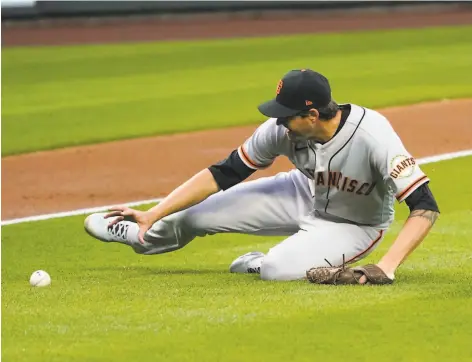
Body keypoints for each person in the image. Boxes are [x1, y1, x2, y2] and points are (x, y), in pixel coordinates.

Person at [84, 69, 439, 284]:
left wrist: (388, 267)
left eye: (288, 115)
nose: (280, 121)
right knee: (193, 215)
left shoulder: (374, 136)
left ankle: (258, 262)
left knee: (275, 271)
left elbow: (425, 206)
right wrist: (153, 212)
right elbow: (224, 173)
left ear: (312, 114)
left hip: (354, 224)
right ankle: (139, 235)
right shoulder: (282, 130)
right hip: (303, 191)